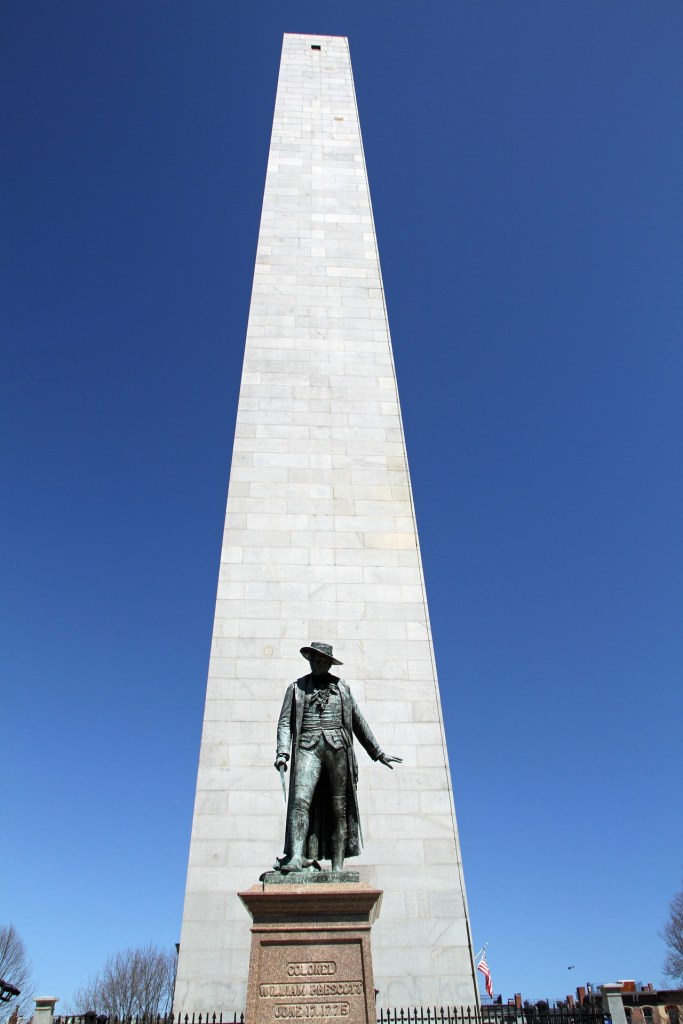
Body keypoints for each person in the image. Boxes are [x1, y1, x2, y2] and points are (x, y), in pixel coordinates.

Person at [274, 642, 402, 873]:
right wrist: (282, 752)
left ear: (329, 663)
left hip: (338, 748)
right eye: (314, 659)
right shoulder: (296, 688)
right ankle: (295, 856)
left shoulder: (342, 688)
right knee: (300, 801)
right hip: (306, 746)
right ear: (310, 660)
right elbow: (285, 722)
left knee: (338, 808)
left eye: (323, 660)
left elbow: (358, 721)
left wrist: (378, 752)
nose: (317, 664)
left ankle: (337, 866)